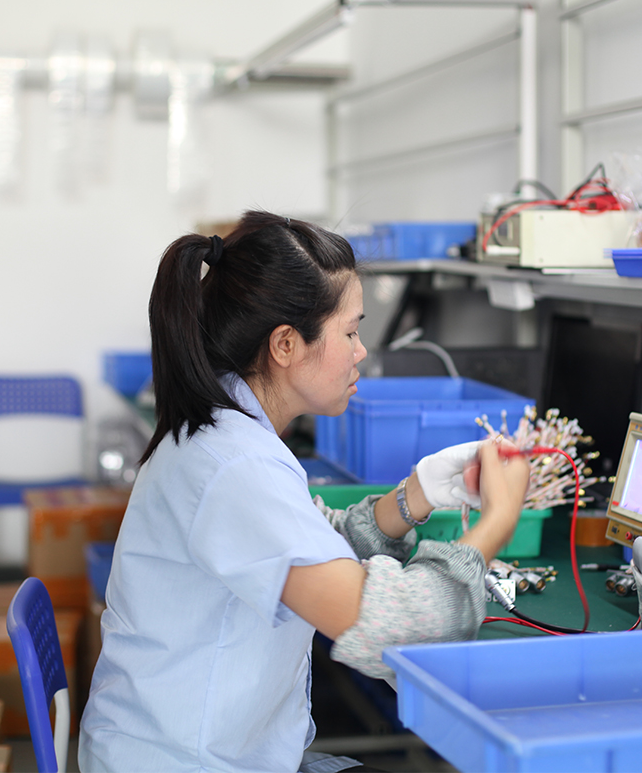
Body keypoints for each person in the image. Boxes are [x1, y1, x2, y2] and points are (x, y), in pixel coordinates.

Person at [79, 211, 530, 773]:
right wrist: (497, 522)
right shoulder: (236, 466)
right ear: (286, 344)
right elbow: (384, 622)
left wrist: (417, 495)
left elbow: (310, 546)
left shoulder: (229, 431)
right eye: (350, 332)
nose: (361, 352)